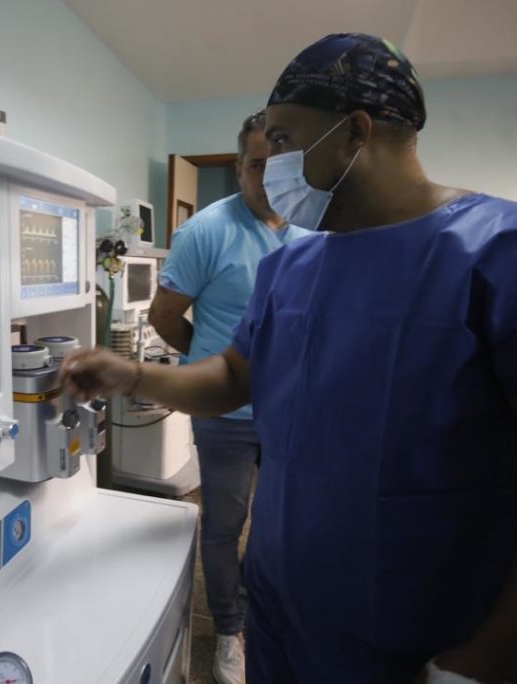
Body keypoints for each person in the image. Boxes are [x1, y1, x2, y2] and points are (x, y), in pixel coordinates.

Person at [62, 33, 517, 683]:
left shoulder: (513, 251)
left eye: (283, 139)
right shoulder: (292, 266)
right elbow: (234, 377)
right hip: (280, 604)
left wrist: (494, 656)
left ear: (355, 131)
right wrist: (133, 374)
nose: (270, 164)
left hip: (418, 628)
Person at [148, 110, 310, 684]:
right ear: (240, 167)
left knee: (282, 522)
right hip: (225, 414)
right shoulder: (206, 231)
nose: (268, 177)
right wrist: (210, 363)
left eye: (280, 164)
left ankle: (265, 613)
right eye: (257, 165)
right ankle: (228, 629)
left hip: (293, 410)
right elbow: (164, 317)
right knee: (223, 523)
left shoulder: (315, 230)